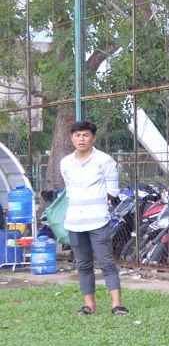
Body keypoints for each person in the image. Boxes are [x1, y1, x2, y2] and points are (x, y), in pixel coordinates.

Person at [58, 120, 124, 316]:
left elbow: (112, 192)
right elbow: (69, 190)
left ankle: (117, 305)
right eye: (77, 135)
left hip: (98, 221)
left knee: (106, 263)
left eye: (85, 135)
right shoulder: (65, 163)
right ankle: (89, 305)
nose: (81, 139)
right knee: (83, 264)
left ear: (93, 138)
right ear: (71, 138)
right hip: (74, 222)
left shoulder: (105, 161)